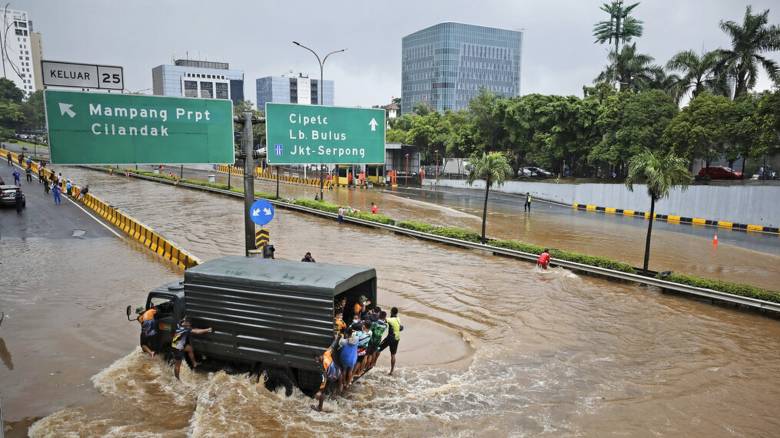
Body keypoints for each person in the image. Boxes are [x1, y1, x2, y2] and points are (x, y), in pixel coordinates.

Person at [312, 346, 341, 412]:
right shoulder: (326, 354)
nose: (316, 360)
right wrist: (336, 338)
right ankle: (336, 403)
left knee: (322, 393)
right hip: (338, 373)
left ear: (319, 356)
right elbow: (332, 347)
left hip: (331, 377)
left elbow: (324, 378)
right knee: (336, 389)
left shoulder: (322, 366)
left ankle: (319, 408)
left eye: (316, 358)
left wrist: (320, 390)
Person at [380, 307, 403, 376]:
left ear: (392, 312)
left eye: (390, 312)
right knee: (393, 355)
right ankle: (392, 371)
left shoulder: (390, 319)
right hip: (397, 338)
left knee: (378, 349)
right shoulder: (398, 319)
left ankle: (372, 364)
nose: (390, 313)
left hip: (390, 338)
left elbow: (382, 320)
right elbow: (401, 327)